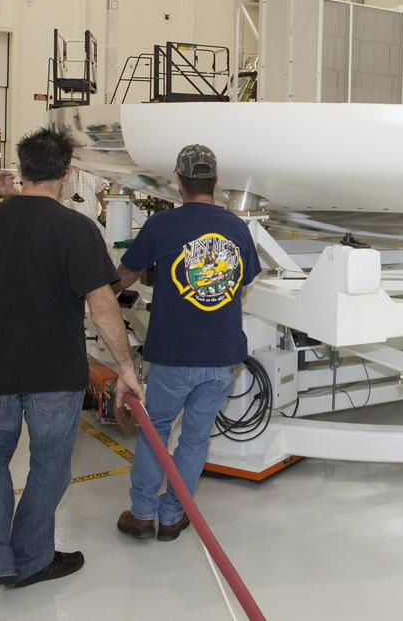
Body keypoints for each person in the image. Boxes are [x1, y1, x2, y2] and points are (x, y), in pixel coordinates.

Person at [0, 128, 143, 595]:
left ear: (22, 168)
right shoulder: (77, 229)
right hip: (53, 373)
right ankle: (32, 557)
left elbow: (23, 233)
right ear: (67, 173)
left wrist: (7, 197)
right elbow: (102, 306)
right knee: (50, 465)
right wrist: (125, 368)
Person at [114, 144, 260, 542]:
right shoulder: (237, 228)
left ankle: (142, 514)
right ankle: (173, 516)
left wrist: (101, 295)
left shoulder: (162, 226)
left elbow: (127, 273)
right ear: (216, 181)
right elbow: (242, 281)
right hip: (222, 357)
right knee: (195, 438)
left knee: (156, 431)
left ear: (178, 180)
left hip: (174, 355)